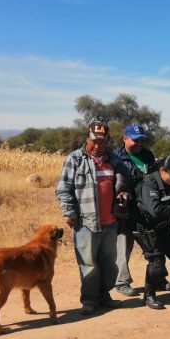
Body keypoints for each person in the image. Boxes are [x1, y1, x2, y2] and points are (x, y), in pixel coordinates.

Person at [55, 120, 124, 315]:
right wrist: (69, 213)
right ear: (87, 139)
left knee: (109, 263)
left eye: (101, 142)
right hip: (85, 222)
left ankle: (104, 296)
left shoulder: (113, 159)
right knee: (88, 264)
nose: (97, 146)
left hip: (110, 222)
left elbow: (124, 181)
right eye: (94, 141)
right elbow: (63, 189)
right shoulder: (74, 159)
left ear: (107, 142)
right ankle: (89, 300)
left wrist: (124, 193)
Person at [135, 155, 170, 309]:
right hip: (149, 229)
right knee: (156, 263)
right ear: (162, 171)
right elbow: (155, 211)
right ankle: (149, 295)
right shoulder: (149, 184)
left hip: (166, 227)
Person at [112, 123, 156, 297]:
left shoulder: (147, 156)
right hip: (123, 208)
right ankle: (121, 282)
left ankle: (157, 277)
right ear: (125, 138)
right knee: (123, 243)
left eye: (142, 140)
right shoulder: (115, 156)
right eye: (135, 140)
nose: (139, 143)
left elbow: (153, 178)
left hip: (144, 206)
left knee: (152, 242)